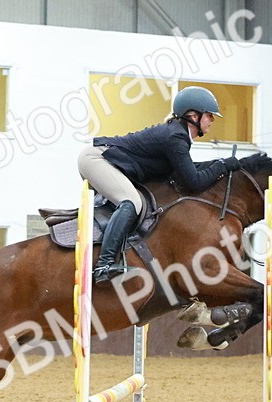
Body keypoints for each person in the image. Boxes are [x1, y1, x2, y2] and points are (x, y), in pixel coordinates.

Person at [77, 86, 240, 282]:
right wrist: (222, 166)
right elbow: (194, 182)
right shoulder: (176, 137)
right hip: (96, 159)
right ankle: (104, 264)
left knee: (132, 201)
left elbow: (189, 170)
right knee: (131, 202)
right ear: (193, 116)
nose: (212, 121)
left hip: (103, 159)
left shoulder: (177, 135)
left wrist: (219, 164)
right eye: (209, 116)